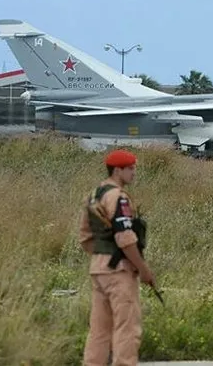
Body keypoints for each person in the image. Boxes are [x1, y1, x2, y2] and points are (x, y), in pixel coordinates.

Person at [78, 149, 155, 366]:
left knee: (99, 329)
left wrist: (101, 256)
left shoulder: (94, 195)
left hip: (98, 268)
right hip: (119, 270)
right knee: (127, 327)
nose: (134, 173)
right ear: (117, 170)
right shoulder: (118, 197)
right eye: (130, 169)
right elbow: (125, 237)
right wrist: (142, 268)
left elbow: (85, 236)